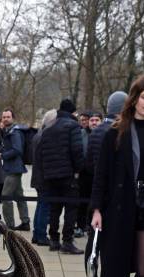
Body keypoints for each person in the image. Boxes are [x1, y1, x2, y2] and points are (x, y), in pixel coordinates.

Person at [91, 74, 144, 277]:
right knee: (115, 271)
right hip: (119, 209)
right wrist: (97, 208)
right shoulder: (116, 131)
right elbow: (101, 174)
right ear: (134, 98)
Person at [84, 91, 136, 277]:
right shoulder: (117, 132)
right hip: (114, 194)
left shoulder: (95, 131)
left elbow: (88, 164)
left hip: (96, 191)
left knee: (94, 241)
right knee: (112, 247)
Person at [37, 98, 84, 253]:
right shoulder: (73, 126)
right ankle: (67, 241)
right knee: (71, 208)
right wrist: (78, 170)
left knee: (54, 209)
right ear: (72, 112)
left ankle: (54, 240)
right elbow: (77, 151)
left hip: (51, 176)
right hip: (68, 175)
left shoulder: (48, 129)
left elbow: (41, 154)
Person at [0, 107, 30, 231]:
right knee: (19, 196)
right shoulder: (8, 131)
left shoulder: (15, 132)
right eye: (4, 117)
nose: (6, 119)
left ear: (13, 118)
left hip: (14, 169)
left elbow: (17, 150)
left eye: (8, 117)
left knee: (5, 197)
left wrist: (2, 155)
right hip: (14, 168)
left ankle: (9, 225)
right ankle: (25, 222)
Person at [31, 109, 57, 246]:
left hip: (38, 176)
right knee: (44, 207)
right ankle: (40, 235)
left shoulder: (38, 134)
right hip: (44, 177)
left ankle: (37, 234)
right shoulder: (46, 135)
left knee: (41, 205)